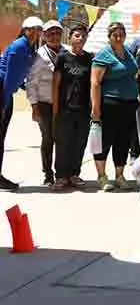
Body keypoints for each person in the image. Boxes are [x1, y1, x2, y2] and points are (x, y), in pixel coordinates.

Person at [91, 22, 140, 192]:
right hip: (110, 104)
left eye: (121, 34)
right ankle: (102, 176)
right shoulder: (104, 54)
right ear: (109, 36)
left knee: (123, 141)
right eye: (115, 35)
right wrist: (96, 109)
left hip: (129, 104)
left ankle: (119, 176)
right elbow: (95, 83)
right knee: (105, 140)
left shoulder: (127, 52)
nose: (119, 38)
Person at [0, 16, 43, 190]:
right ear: (25, 30)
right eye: (32, 29)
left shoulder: (31, 48)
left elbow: (20, 76)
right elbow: (10, 78)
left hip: (6, 91)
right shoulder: (19, 46)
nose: (36, 32)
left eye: (39, 29)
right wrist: (3, 103)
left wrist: (29, 88)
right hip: (2, 90)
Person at [51, 24, 93, 191]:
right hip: (65, 108)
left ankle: (74, 174)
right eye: (77, 35)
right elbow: (56, 85)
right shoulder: (62, 58)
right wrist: (55, 110)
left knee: (79, 142)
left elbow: (93, 85)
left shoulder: (89, 59)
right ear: (70, 38)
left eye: (83, 36)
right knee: (63, 143)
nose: (80, 39)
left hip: (83, 109)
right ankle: (61, 176)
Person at [27, 20, 66, 186]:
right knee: (48, 138)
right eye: (50, 34)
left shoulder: (67, 52)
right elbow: (31, 83)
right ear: (44, 35)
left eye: (57, 33)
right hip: (45, 104)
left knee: (63, 139)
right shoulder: (39, 56)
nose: (54, 37)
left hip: (64, 104)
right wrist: (34, 106)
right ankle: (48, 174)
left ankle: (63, 173)